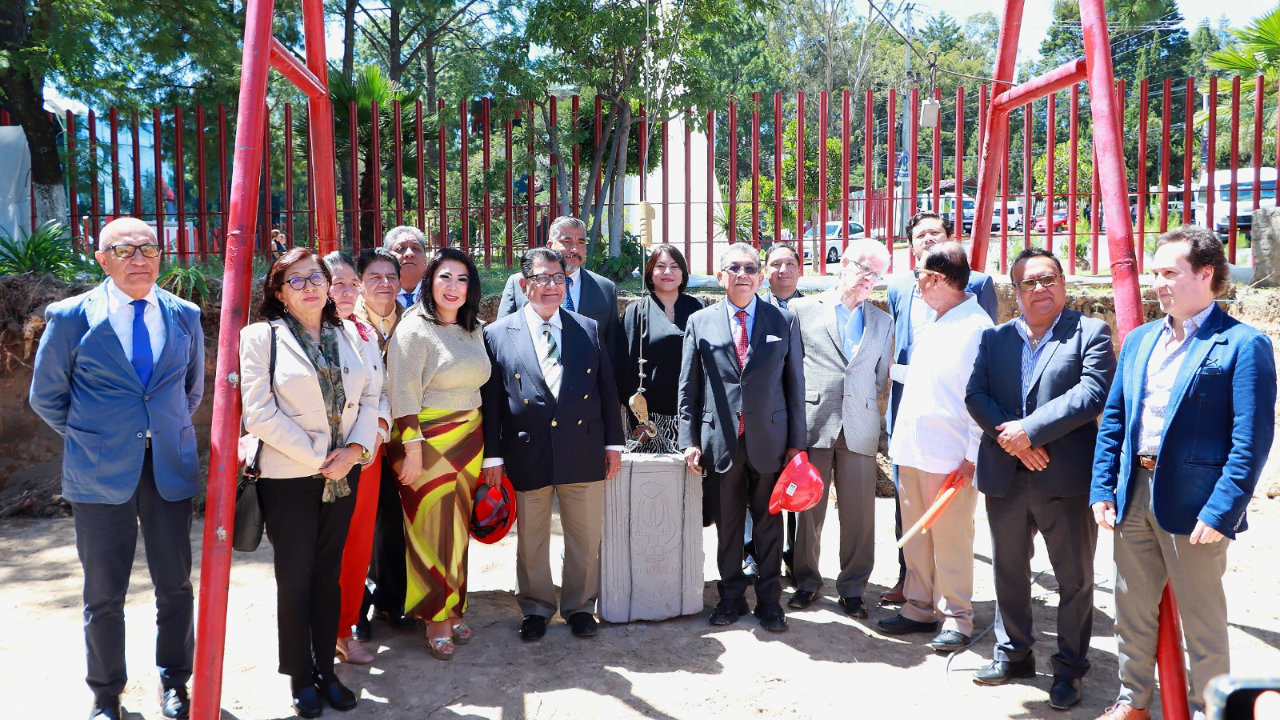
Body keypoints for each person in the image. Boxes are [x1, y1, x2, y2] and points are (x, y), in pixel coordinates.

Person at [1090, 226, 1277, 720]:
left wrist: (1222, 510)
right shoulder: (1139, 341)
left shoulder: (1243, 344)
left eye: (1169, 272)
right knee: (1130, 611)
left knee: (1203, 623)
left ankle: (1208, 710)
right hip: (1132, 495)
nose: (1158, 282)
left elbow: (1251, 441)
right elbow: (1115, 419)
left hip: (1197, 506)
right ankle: (1133, 702)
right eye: (1155, 272)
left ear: (1206, 274)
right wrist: (1102, 487)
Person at [29, 217, 203, 720]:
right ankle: (106, 693)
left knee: (175, 584)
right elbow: (47, 396)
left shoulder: (184, 314)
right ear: (101, 260)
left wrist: (157, 429)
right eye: (123, 250)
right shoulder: (69, 318)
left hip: (167, 464)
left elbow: (189, 389)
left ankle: (175, 681)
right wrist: (94, 439)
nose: (138, 259)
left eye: (147, 248)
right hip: (99, 473)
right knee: (104, 591)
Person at [965, 248, 1116, 710]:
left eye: (1048, 278)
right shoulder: (996, 339)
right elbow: (976, 394)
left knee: (1074, 579)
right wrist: (1013, 440)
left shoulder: (1090, 332)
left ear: (1064, 283)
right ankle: (1015, 653)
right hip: (1006, 476)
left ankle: (1069, 669)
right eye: (1029, 282)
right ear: (1016, 291)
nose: (1040, 289)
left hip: (1064, 478)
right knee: (1008, 572)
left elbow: (1092, 394)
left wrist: (1028, 432)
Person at [238, 248, 381, 718]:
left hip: (343, 474)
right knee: (295, 578)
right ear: (278, 292)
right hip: (292, 478)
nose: (310, 287)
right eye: (295, 280)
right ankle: (300, 676)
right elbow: (258, 413)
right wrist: (324, 458)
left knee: (328, 577)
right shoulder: (263, 337)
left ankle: (327, 671)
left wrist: (356, 452)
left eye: (315, 277)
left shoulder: (347, 332)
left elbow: (370, 396)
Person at [481, 247, 625, 642]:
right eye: (542, 279)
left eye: (558, 278)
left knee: (584, 536)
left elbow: (606, 391)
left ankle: (580, 607)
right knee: (532, 536)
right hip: (527, 449)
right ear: (524, 284)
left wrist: (614, 444)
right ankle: (536, 607)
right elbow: (492, 401)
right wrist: (492, 454)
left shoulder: (587, 328)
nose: (551, 287)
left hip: (583, 446)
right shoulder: (497, 333)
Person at [678, 242, 805, 633]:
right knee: (729, 525)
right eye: (734, 268)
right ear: (720, 277)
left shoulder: (781, 320)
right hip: (721, 442)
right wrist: (689, 439)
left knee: (769, 525)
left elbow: (794, 385)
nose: (743, 274)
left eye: (751, 267)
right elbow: (689, 388)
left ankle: (770, 602)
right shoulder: (701, 322)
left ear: (760, 275)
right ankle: (730, 597)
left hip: (770, 440)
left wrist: (796, 443)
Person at [879, 241, 993, 653]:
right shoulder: (936, 320)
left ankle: (957, 617)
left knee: (950, 538)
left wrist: (971, 457)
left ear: (937, 279)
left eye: (920, 276)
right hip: (911, 449)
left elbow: (979, 397)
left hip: (948, 455)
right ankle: (918, 607)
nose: (917, 284)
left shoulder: (974, 327)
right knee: (917, 537)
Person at [385, 247, 490, 661]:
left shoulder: (473, 328)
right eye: (445, 277)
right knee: (430, 532)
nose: (453, 287)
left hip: (469, 440)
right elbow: (402, 394)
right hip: (424, 442)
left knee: (457, 530)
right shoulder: (414, 329)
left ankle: (454, 605)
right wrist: (411, 450)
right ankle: (435, 618)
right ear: (429, 280)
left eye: (462, 280)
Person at [786, 239, 893, 620]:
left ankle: (852, 588)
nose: (870, 279)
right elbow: (790, 368)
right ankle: (806, 582)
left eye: (878, 273)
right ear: (843, 263)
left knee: (860, 514)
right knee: (808, 511)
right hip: (814, 423)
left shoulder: (883, 321)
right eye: (865, 269)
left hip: (860, 426)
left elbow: (880, 379)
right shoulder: (800, 310)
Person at [321, 251, 392, 666]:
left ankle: (345, 628)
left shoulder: (365, 332)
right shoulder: (299, 333)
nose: (344, 292)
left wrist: (375, 434)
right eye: (335, 283)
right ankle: (316, 631)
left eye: (351, 284)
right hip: (316, 461)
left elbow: (379, 393)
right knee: (319, 548)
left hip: (365, 456)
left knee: (356, 546)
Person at [371, 227, 428, 629]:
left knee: (426, 517)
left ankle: (429, 593)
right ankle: (389, 597)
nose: (408, 254)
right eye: (399, 249)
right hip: (379, 431)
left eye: (416, 248)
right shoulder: (366, 309)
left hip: (431, 427)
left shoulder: (443, 296)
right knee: (385, 519)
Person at [350, 247, 407, 643]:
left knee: (395, 520)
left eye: (391, 276)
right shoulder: (346, 322)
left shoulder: (413, 321)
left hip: (402, 436)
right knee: (357, 525)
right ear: (360, 282)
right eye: (375, 277)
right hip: (360, 437)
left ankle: (392, 599)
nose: (384, 284)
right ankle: (355, 608)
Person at [496, 216, 621, 363]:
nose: (574, 249)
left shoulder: (605, 288)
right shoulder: (520, 283)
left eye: (581, 242)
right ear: (550, 245)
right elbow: (502, 338)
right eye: (567, 242)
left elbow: (612, 348)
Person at [617, 243, 703, 452]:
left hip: (690, 414)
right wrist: (636, 419)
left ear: (683, 272)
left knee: (691, 481)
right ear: (650, 272)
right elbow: (623, 365)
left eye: (674, 266)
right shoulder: (636, 311)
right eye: (660, 266)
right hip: (648, 419)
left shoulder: (697, 308)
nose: (667, 272)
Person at [386, 225, 428, 308]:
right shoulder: (376, 293)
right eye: (401, 248)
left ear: (425, 257)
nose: (409, 254)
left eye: (416, 248)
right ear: (387, 257)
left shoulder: (436, 292)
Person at [761, 243, 803, 308]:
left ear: (799, 270)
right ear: (766, 271)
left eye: (789, 263)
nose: (783, 270)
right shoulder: (754, 308)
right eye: (776, 264)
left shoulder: (814, 307)